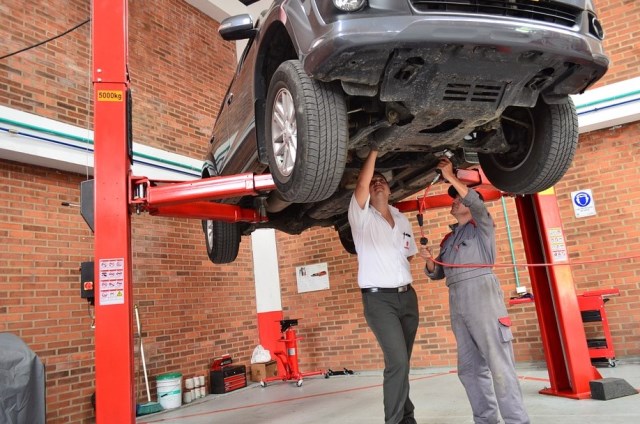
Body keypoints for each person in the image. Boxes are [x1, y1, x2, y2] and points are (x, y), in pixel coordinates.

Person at [420, 157, 530, 424]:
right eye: (453, 197)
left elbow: (477, 204)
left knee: (499, 366)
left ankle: (517, 421)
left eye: (457, 197)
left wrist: (451, 177)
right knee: (469, 369)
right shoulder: (449, 238)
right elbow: (438, 274)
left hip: (482, 296)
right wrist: (429, 260)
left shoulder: (482, 227)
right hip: (458, 302)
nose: (453, 200)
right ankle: (485, 420)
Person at [348, 147, 419, 424]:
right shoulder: (361, 217)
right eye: (374, 180)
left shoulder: (402, 219)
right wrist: (376, 150)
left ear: (390, 191)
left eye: (383, 180)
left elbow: (408, 252)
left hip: (407, 298)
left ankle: (407, 417)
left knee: (402, 365)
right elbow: (363, 183)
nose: (378, 182)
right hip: (379, 302)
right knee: (398, 363)